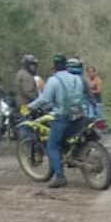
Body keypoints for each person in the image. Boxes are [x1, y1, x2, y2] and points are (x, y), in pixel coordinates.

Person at [27, 54, 88, 189]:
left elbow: (45, 100)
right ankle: (74, 157)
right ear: (66, 65)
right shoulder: (76, 78)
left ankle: (60, 177)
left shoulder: (53, 80)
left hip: (63, 118)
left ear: (54, 67)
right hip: (81, 117)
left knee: (52, 146)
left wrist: (30, 107)